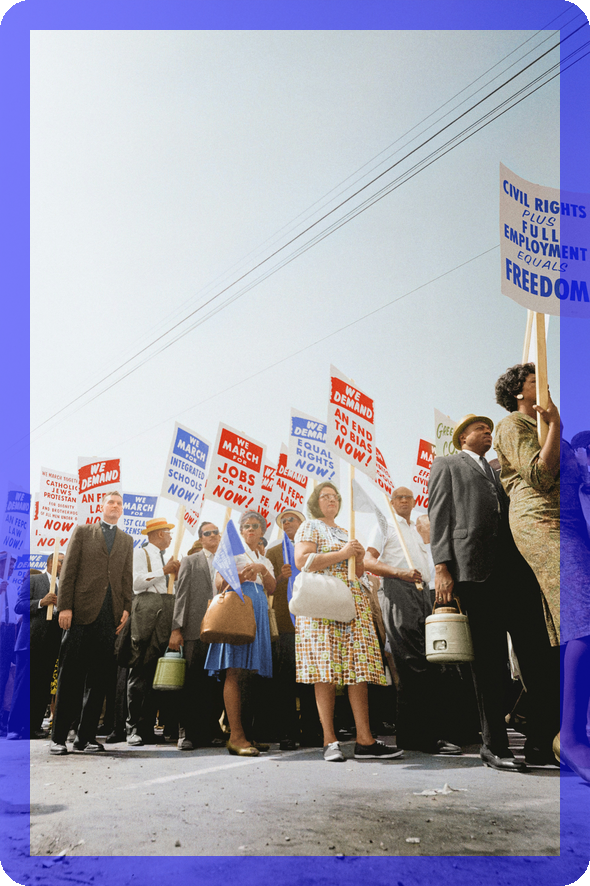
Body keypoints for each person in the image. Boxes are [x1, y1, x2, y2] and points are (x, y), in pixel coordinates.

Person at [429, 414, 559, 772]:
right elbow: (439, 515)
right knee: (489, 662)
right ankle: (494, 745)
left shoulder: (502, 468)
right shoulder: (447, 465)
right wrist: (442, 567)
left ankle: (541, 743)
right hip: (475, 572)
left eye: (490, 429)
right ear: (463, 437)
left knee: (537, 657)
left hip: (516, 572)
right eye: (479, 429)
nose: (487, 432)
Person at [494, 365, 590, 780]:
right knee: (583, 619)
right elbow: (539, 474)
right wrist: (557, 425)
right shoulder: (512, 425)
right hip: (543, 524)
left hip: (574, 524)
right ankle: (570, 737)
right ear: (519, 392)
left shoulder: (551, 430)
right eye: (537, 380)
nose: (546, 384)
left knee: (578, 621)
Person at [294, 481, 402, 763]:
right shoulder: (309, 526)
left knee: (358, 668)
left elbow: (359, 570)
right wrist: (343, 554)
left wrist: (359, 559)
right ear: (316, 502)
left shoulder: (345, 531)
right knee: (325, 669)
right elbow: (302, 561)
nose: (331, 500)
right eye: (325, 496)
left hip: (353, 602)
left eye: (335, 496)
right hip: (323, 602)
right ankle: (329, 739)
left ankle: (365, 739)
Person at [364, 487, 461, 755]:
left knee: (427, 662)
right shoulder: (385, 525)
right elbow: (368, 560)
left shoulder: (415, 530)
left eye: (408, 497)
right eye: (399, 497)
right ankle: (420, 736)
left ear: (414, 501)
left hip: (422, 593)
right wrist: (399, 572)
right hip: (398, 589)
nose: (404, 500)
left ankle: (416, 734)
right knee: (411, 662)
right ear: (391, 502)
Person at [50, 491, 133, 755]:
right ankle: (58, 738)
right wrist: (65, 607)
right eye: (111, 502)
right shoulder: (83, 532)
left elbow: (126, 577)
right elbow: (69, 570)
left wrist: (126, 608)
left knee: (99, 681)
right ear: (102, 506)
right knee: (70, 677)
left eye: (119, 504)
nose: (115, 506)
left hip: (109, 618)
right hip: (80, 614)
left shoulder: (127, 540)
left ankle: (85, 738)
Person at [204, 510, 276, 757]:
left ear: (263, 531)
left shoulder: (264, 559)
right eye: (246, 525)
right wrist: (238, 576)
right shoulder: (233, 551)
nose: (251, 529)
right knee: (234, 671)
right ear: (241, 530)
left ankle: (247, 733)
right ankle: (235, 736)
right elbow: (218, 583)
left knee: (251, 675)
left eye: (255, 525)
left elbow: (272, 587)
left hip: (258, 613)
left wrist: (262, 569)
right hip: (237, 611)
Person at [168, 521, 224, 750]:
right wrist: (176, 629)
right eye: (207, 533)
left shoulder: (227, 562)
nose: (212, 536)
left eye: (215, 532)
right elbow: (181, 596)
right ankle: (186, 733)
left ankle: (209, 731)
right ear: (201, 538)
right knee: (192, 682)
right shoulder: (191, 561)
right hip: (193, 629)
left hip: (220, 629)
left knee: (214, 684)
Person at [126, 517, 180, 746]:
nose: (171, 537)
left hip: (163, 615)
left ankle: (147, 726)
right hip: (146, 615)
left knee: (156, 673)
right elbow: (136, 583)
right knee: (140, 672)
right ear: (159, 533)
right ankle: (133, 728)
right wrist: (163, 571)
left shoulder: (165, 557)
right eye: (168, 533)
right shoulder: (141, 553)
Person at [7, 552, 64, 739]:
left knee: (42, 687)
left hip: (51, 643)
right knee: (23, 685)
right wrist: (41, 602)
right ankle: (15, 728)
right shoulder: (34, 580)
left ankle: (33, 726)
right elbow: (19, 606)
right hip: (30, 642)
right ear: (51, 563)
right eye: (62, 562)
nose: (65, 565)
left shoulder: (64, 586)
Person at [266, 509, 308, 750]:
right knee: (285, 681)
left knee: (311, 679)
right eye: (283, 521)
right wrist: (280, 578)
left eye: (292, 519)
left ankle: (312, 730)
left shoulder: (312, 548)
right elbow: (266, 587)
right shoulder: (273, 552)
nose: (287, 523)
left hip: (310, 621)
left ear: (302, 523)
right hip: (285, 623)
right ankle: (287, 732)